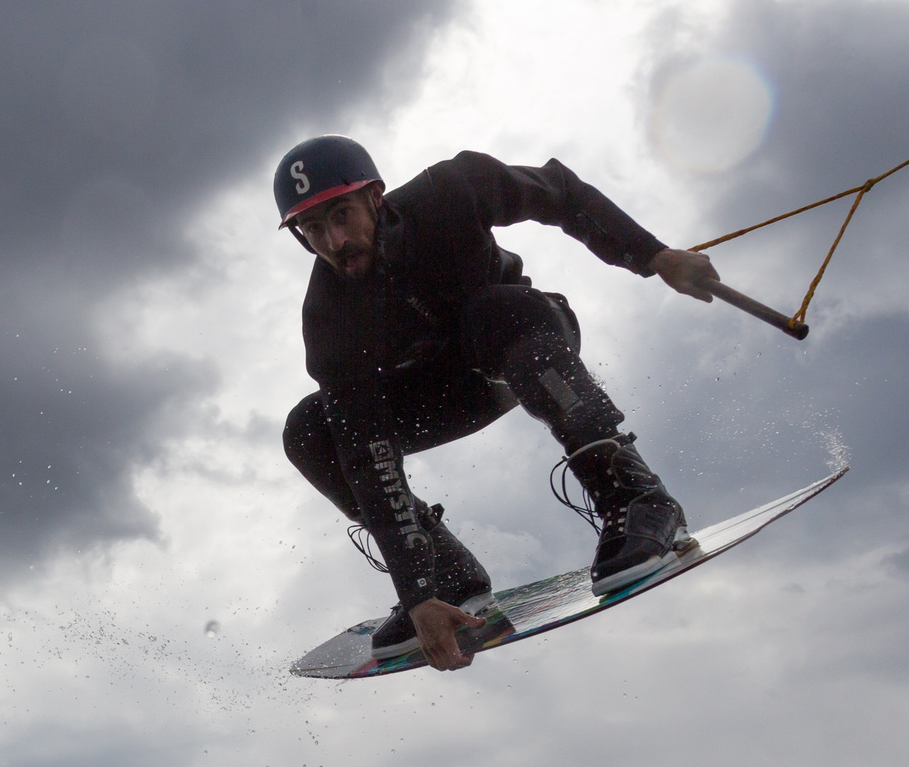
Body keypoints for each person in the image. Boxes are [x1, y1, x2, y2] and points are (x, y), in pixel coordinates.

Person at [276, 135, 723, 672]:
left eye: (341, 214)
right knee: (309, 428)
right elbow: (368, 459)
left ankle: (635, 495)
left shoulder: (451, 190)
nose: (335, 239)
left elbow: (559, 193)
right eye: (313, 228)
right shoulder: (328, 320)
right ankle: (448, 575)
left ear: (375, 196)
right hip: (439, 398)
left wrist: (653, 255)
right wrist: (417, 592)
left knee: (495, 311)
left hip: (524, 347)